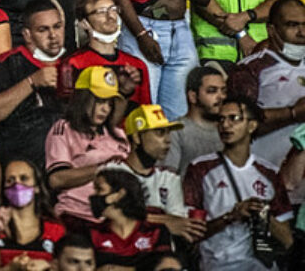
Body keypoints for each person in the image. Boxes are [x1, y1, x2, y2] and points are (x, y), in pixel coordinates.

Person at [183, 95, 295, 268]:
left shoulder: (270, 173)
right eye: (221, 119)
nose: (225, 125)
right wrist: (231, 217)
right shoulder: (200, 169)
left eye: (234, 118)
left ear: (252, 125)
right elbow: (191, 233)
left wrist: (262, 214)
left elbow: (287, 240)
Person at [45, 67, 130, 226]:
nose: (105, 109)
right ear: (82, 98)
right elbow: (56, 179)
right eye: (99, 101)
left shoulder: (118, 135)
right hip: (76, 215)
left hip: (116, 218)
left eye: (109, 103)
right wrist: (103, 168)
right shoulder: (64, 129)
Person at [227, 0, 305, 168]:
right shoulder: (250, 69)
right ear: (271, 30)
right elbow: (236, 126)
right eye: (292, 25)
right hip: (264, 176)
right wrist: (292, 113)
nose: (302, 33)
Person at [106, 104, 202, 240]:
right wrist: (163, 221)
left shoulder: (169, 177)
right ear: (137, 138)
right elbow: (111, 216)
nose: (168, 140)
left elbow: (178, 223)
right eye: (160, 133)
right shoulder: (112, 171)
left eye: (168, 133)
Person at [86, 167, 173, 267]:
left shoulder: (155, 231)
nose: (93, 195)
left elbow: (165, 267)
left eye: (99, 189)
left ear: (119, 194)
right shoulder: (93, 233)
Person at [165, 65, 226, 174]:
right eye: (212, 91)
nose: (221, 96)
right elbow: (167, 177)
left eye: (223, 91)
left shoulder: (228, 129)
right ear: (193, 96)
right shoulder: (176, 131)